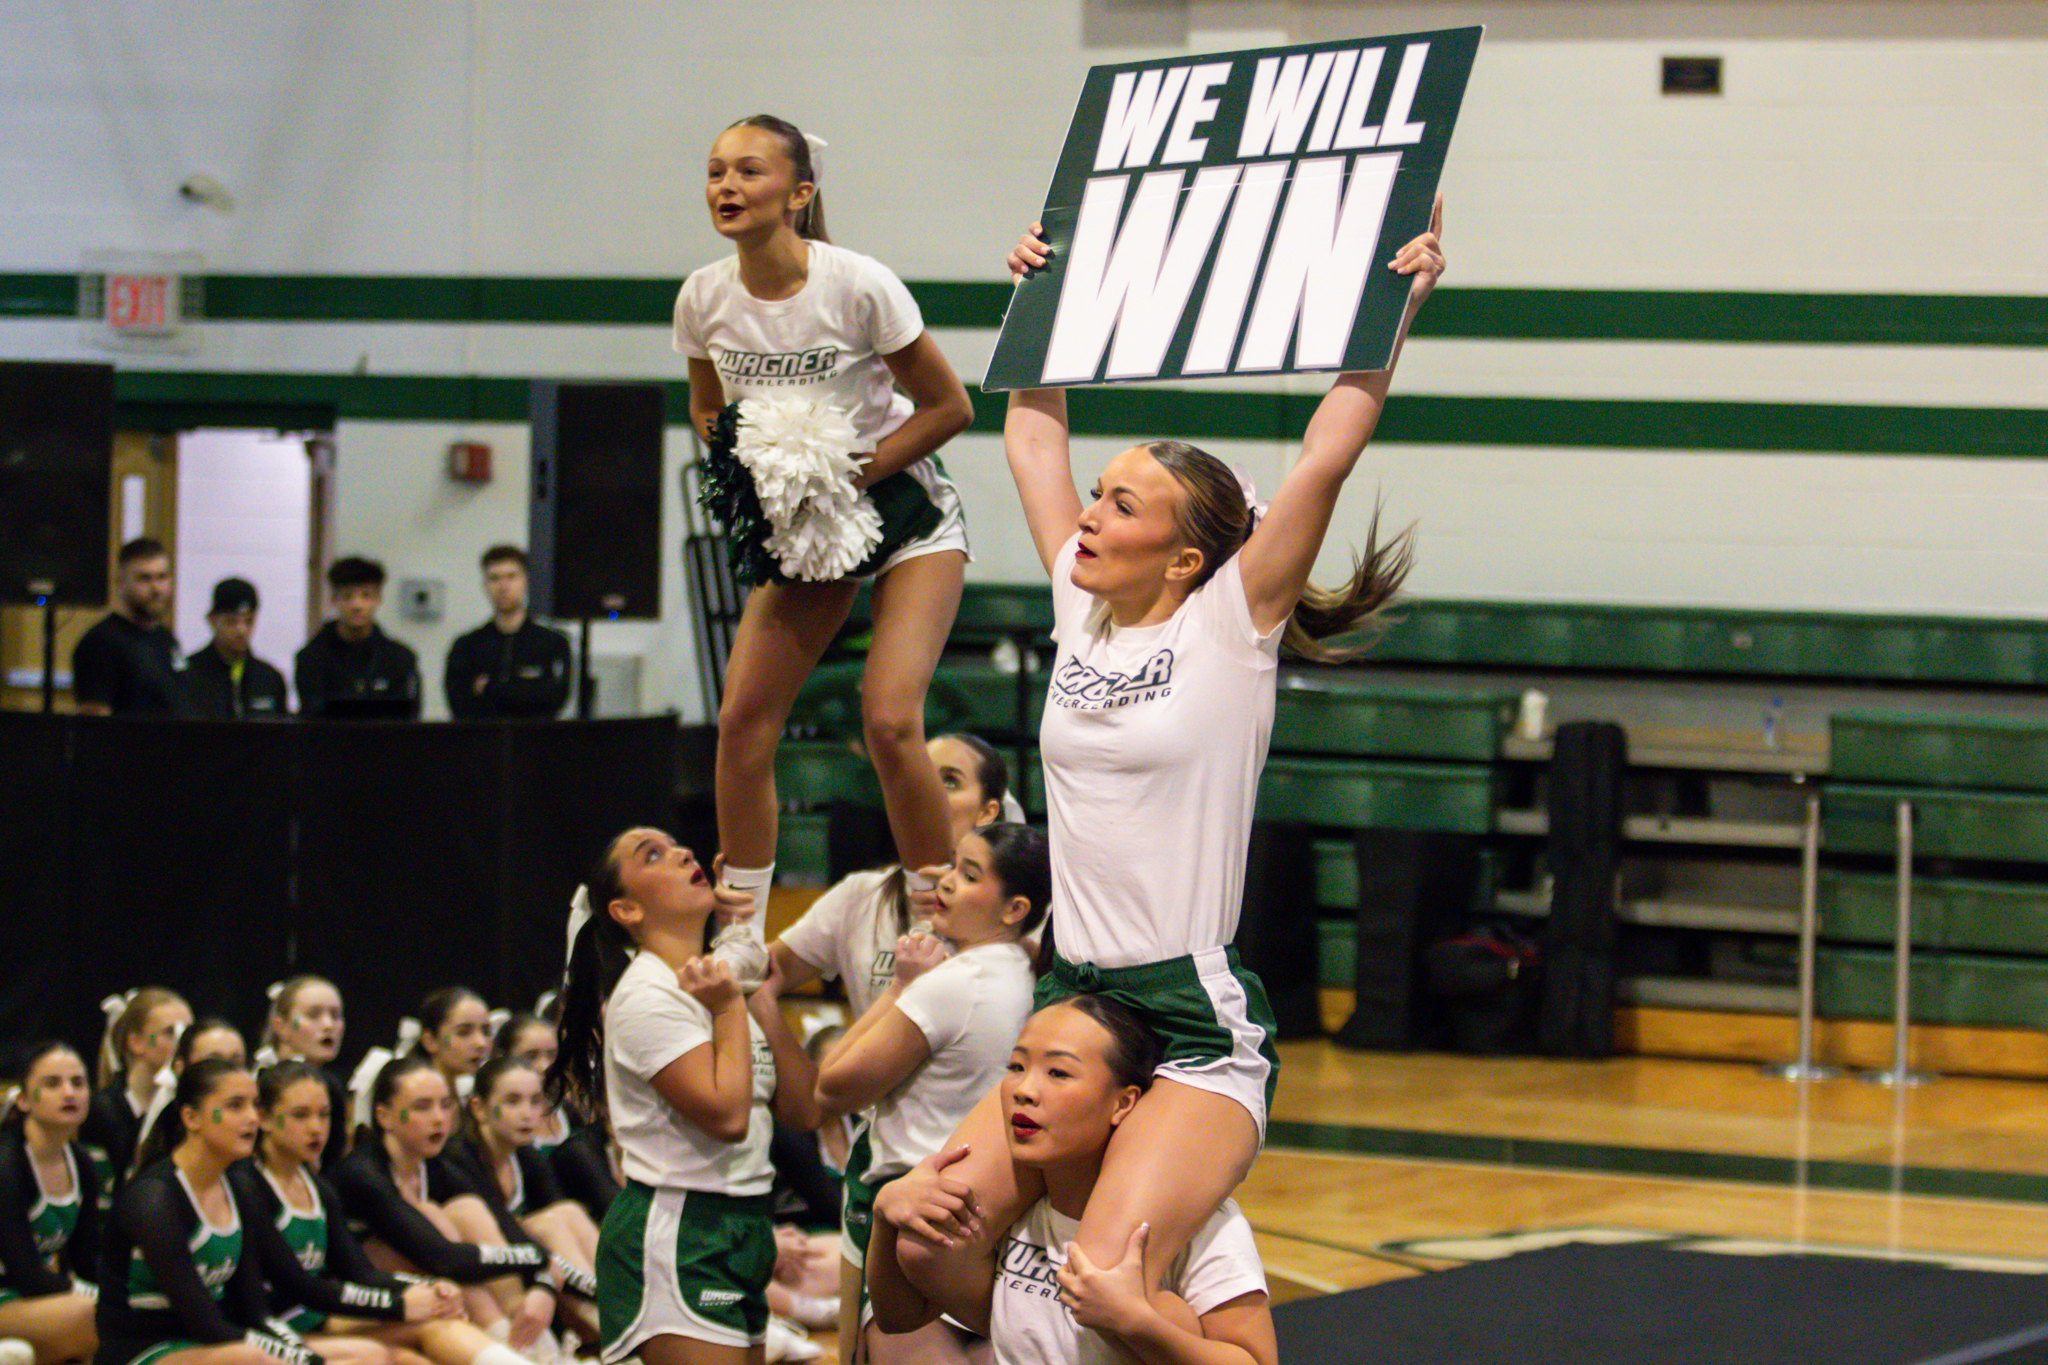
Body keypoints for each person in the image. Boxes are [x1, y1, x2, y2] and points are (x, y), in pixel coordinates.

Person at [892, 201, 1446, 1313]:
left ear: (1187, 556)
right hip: (1071, 1001)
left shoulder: (1229, 622)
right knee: (917, 1236)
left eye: (1121, 503)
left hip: (1186, 1012)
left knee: (1104, 1279)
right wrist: (1040, 296)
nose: (1090, 515)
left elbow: (1328, 452)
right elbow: (1032, 437)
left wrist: (1397, 302)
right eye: (1098, 494)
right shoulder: (1080, 602)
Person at [676, 113, 975, 984]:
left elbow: (950, 408)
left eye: (750, 171)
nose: (727, 186)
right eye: (716, 170)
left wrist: (841, 471)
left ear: (799, 193)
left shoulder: (859, 285)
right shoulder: (702, 297)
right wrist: (754, 471)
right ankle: (741, 927)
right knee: (742, 722)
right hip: (804, 530)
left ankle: (938, 921)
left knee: (888, 719)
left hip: (906, 517)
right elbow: (708, 408)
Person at [868, 997, 1273, 1365]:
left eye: (1058, 1073)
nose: (1024, 1091)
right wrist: (886, 1214)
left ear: (1123, 1103)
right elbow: (897, 1318)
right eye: (1016, 1067)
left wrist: (1138, 1324)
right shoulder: (1014, 1216)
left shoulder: (1204, 1225)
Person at [546, 827, 818, 1365]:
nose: (683, 853)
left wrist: (757, 997)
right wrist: (729, 1007)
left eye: (675, 845)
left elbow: (804, 1111)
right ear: (627, 910)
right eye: (653, 855)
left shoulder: (718, 981)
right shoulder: (648, 995)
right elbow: (727, 1118)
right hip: (680, 1229)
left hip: (744, 1221)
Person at [806, 824, 1046, 1365]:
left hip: (916, 1206)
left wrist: (900, 986)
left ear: (1015, 909)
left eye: (969, 875)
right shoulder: (1031, 977)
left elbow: (832, 1087)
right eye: (952, 867)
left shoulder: (954, 981)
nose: (947, 882)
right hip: (994, 1214)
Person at [232, 1061, 529, 1365]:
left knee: (436, 1321)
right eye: (301, 1115)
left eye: (324, 1115)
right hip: (274, 1331)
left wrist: (423, 1288)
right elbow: (298, 1286)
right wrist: (397, 1304)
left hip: (318, 1318)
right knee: (388, 1355)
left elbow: (360, 1273)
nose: (316, 1128)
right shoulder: (249, 1186)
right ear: (264, 1118)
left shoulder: (317, 1188)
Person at [95, 1059, 345, 1365]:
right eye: (235, 1106)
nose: (252, 1118)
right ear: (191, 1117)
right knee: (250, 1359)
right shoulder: (153, 1199)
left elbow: (255, 1312)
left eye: (255, 1105)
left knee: (371, 1355)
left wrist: (303, 1357)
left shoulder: (239, 1187)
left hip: (208, 1345)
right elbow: (206, 1323)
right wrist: (303, 1361)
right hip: (141, 1349)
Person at [330, 1058, 555, 1350]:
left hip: (432, 1284)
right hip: (358, 1300)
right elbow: (444, 1259)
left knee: (468, 1210)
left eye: (446, 1105)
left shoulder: (437, 1165)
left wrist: (545, 1282)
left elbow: (507, 1229)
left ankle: (529, 1339)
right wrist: (540, 1259)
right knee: (433, 1218)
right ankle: (516, 1346)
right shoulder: (361, 1174)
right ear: (384, 1116)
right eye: (423, 1107)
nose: (439, 1118)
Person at [442, 1059, 599, 1315]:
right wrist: (585, 1286)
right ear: (479, 1108)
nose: (527, 1113)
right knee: (546, 1226)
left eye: (535, 1101)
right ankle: (609, 1314)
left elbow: (557, 1207)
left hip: (532, 1266)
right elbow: (507, 1233)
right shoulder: (458, 1158)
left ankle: (621, 1301)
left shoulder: (525, 1155)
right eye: (513, 1101)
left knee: (567, 1211)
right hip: (484, 1274)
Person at [0, 1043, 101, 1364]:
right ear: (23, 1100)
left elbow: (86, 1262)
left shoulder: (82, 1163)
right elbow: (25, 1272)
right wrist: (96, 1295)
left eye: (78, 1083)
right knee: (93, 1313)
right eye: (52, 1084)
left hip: (23, 1296)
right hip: (14, 1289)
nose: (69, 1093)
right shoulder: (6, 1164)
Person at [83, 989, 192, 1203]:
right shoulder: (102, 1111)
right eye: (169, 1032)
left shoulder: (185, 1109)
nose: (182, 1043)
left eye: (188, 1033)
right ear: (136, 1042)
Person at [443, 549, 570, 721]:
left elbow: (553, 700)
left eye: (511, 577)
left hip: (534, 735)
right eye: (494, 578)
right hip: (483, 735)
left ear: (526, 581)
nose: (503, 587)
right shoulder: (466, 646)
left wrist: (490, 688)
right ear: (485, 585)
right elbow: (460, 706)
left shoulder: (552, 643)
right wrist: (525, 690)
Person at [72, 538, 188, 718]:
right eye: (144, 578)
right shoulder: (101, 643)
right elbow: (94, 722)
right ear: (121, 583)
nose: (156, 588)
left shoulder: (166, 639)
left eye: (162, 577)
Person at [295, 559, 421, 720]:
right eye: (347, 596)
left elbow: (410, 716)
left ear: (378, 599)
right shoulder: (311, 658)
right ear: (334, 599)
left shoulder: (400, 658)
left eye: (366, 595)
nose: (357, 605)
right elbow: (311, 715)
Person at [258, 979, 352, 1173]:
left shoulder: (332, 1088)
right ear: (281, 1026)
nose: (328, 1025)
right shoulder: (258, 1085)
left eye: (335, 1015)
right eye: (313, 1015)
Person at [184, 579, 290, 720]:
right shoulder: (190, 675)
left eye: (248, 621)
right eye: (231, 621)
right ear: (212, 621)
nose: (241, 630)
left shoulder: (269, 678)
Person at [412, 993, 492, 1103]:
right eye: (464, 1032)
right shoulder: (412, 1102)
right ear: (430, 1041)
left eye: (486, 1032)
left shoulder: (470, 1100)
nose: (481, 1043)